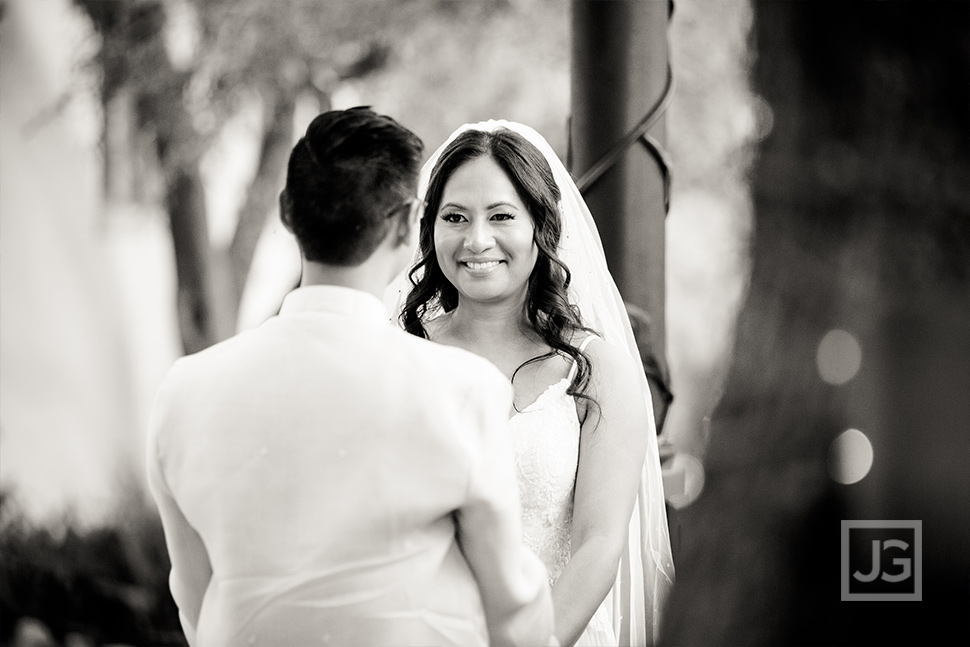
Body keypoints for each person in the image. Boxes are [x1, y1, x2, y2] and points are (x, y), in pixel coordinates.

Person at [146, 108, 555, 647]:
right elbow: (513, 611)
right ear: (409, 224)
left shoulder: (183, 391)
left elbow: (197, 597)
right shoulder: (462, 388)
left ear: (287, 213)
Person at [389, 121, 675, 646]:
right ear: (429, 228)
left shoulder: (595, 371)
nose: (477, 240)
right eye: (455, 218)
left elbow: (599, 544)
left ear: (541, 227)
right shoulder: (394, 355)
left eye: (501, 216)